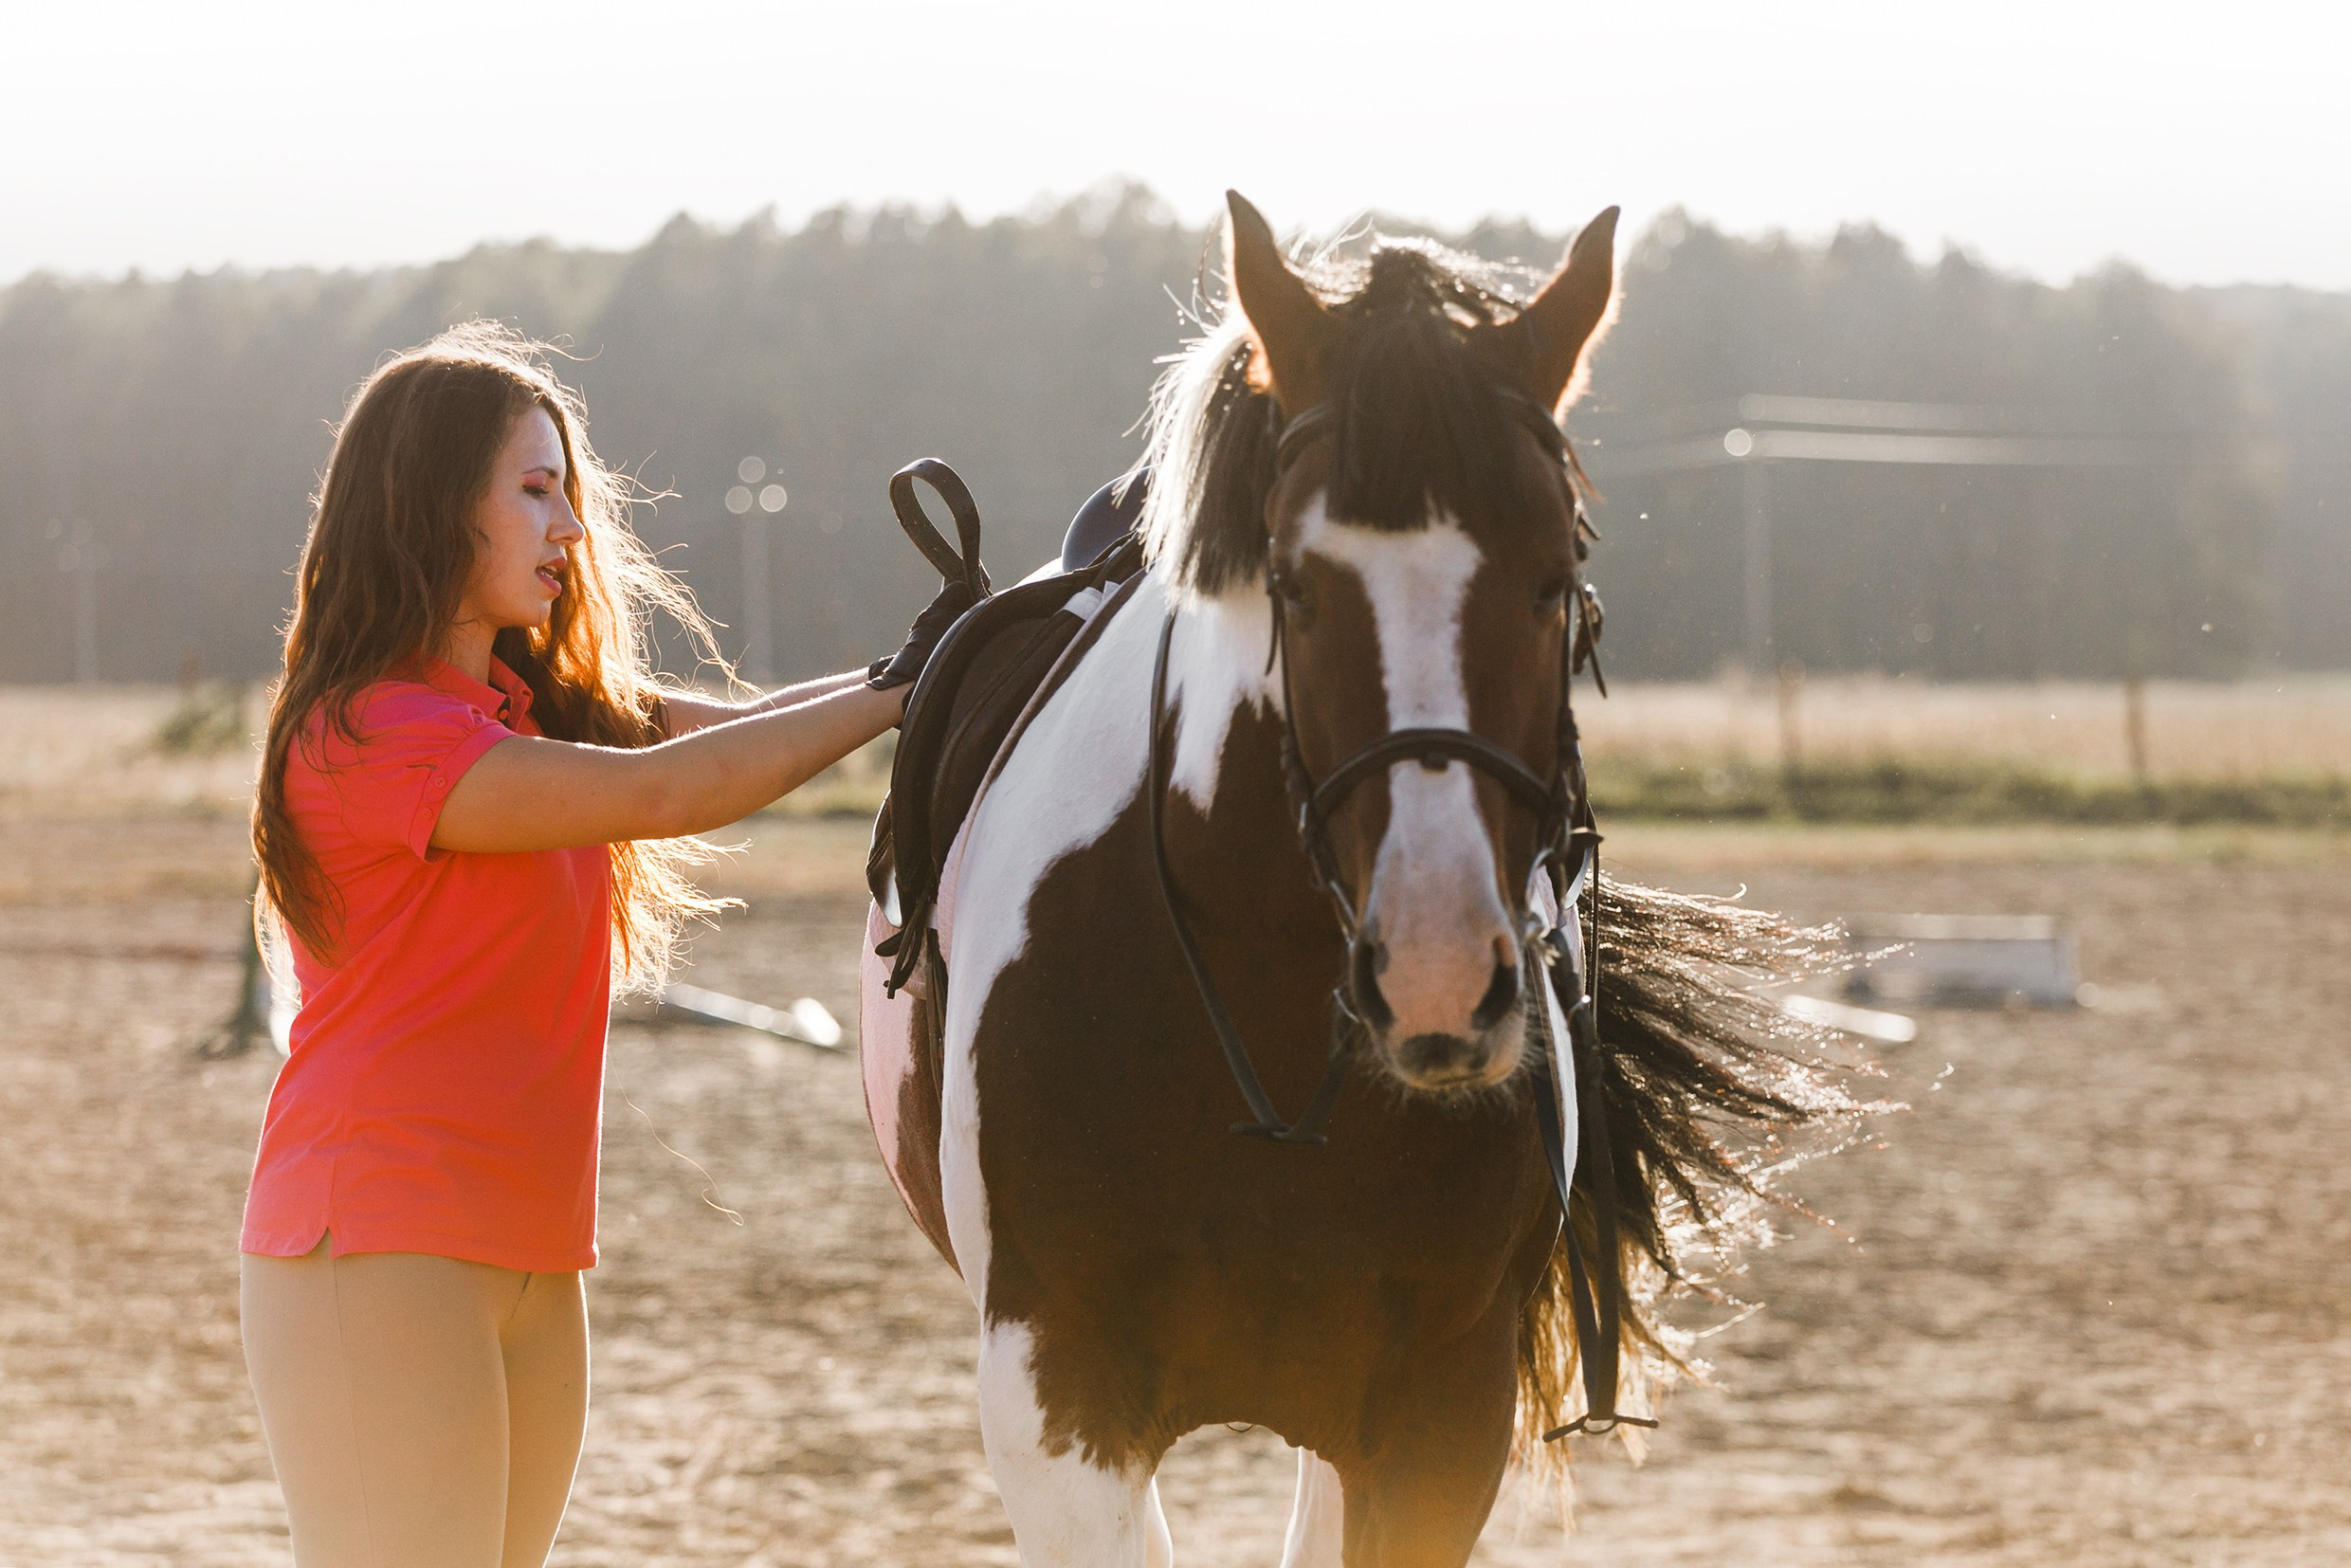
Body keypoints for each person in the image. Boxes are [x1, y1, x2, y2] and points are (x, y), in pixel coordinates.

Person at [238, 321, 967, 1568]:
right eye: (533, 490)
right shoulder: (371, 737)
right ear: (425, 506)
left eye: (567, 489)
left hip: (529, 1248)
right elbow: (678, 787)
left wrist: (929, 664)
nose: (570, 526)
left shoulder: (521, 711)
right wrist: (906, 693)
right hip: (380, 1239)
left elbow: (742, 728)